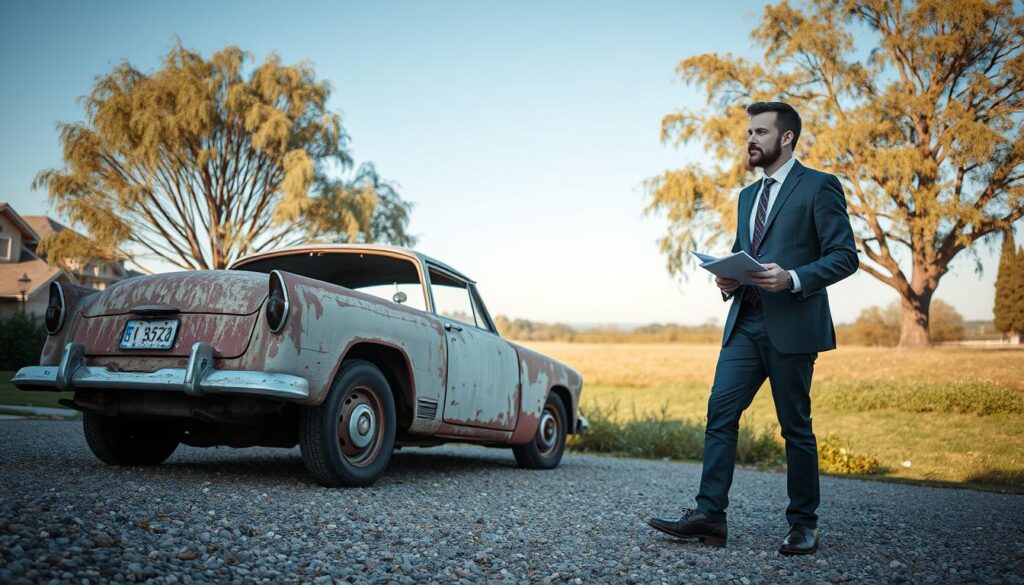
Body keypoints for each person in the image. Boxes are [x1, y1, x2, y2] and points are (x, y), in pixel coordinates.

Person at [647, 101, 859, 555]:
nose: (751, 140)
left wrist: (794, 278)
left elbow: (845, 256)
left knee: (794, 427)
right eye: (749, 132)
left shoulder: (820, 186)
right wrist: (728, 278)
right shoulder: (747, 197)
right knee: (720, 413)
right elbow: (744, 252)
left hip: (794, 324)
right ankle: (710, 516)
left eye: (760, 132)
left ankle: (804, 524)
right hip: (745, 322)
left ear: (786, 138)